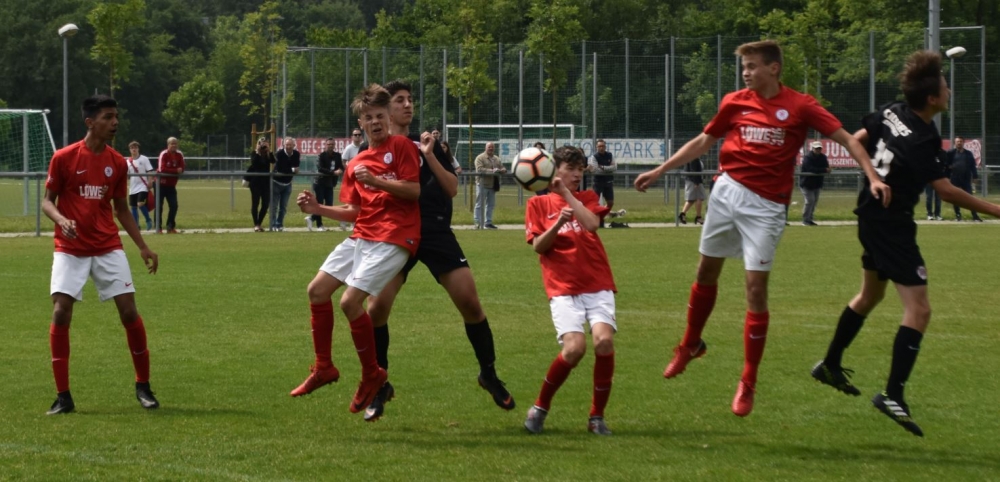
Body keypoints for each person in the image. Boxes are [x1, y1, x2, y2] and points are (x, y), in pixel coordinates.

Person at [633, 40, 889, 417]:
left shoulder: (801, 105)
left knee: (755, 289)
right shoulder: (734, 101)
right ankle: (690, 344)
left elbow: (848, 139)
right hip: (727, 192)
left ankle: (748, 380)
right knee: (705, 272)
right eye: (744, 67)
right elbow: (704, 140)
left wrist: (874, 178)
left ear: (774, 68)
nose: (746, 73)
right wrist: (660, 170)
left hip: (767, 207)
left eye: (752, 66)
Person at [810, 50, 1000, 437]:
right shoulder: (924, 140)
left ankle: (830, 364)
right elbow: (946, 191)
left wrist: (873, 178)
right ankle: (893, 394)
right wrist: (996, 209)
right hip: (892, 225)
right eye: (945, 86)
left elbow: (856, 141)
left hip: (870, 215)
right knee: (920, 309)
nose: (949, 91)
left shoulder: (892, 110)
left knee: (870, 295)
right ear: (932, 98)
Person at [363, 80, 515, 421]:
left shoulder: (428, 145)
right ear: (385, 110)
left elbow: (451, 188)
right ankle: (379, 384)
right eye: (399, 100)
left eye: (409, 99)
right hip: (396, 233)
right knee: (377, 308)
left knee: (470, 303)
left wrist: (429, 154)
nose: (407, 105)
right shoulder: (377, 149)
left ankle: (488, 373)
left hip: (433, 231)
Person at [290, 83, 421, 418]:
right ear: (360, 123)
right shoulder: (357, 162)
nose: (375, 122)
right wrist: (318, 208)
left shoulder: (401, 146)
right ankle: (324, 367)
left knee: (350, 302)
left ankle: (372, 375)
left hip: (395, 237)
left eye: (380, 115)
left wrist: (376, 181)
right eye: (369, 118)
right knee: (317, 291)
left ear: (388, 117)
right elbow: (354, 212)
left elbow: (413, 190)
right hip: (363, 235)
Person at [41, 94, 160, 415]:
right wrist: (62, 220)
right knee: (61, 312)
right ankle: (63, 397)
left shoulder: (117, 162)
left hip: (107, 246)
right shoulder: (64, 158)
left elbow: (121, 209)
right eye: (108, 117)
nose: (115, 122)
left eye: (116, 116)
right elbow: (47, 201)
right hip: (70, 248)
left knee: (129, 312)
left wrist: (143, 246)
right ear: (90, 122)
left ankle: (143, 386)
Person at [522, 146, 617, 436]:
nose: (577, 175)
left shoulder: (586, 198)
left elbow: (592, 224)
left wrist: (566, 194)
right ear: (554, 169)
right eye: (571, 169)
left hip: (597, 282)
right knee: (574, 349)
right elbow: (539, 246)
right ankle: (540, 407)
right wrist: (558, 224)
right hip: (562, 286)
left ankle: (596, 417)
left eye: (580, 169)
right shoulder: (537, 204)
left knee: (604, 342)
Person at [307, 137, 343, 232]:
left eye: (332, 144)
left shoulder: (337, 156)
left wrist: (340, 170)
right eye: (328, 144)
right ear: (325, 145)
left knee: (329, 205)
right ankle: (319, 225)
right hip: (320, 182)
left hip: (330, 183)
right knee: (319, 204)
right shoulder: (321, 156)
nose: (330, 146)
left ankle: (311, 218)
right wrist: (333, 172)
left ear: (334, 145)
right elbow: (320, 168)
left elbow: (341, 167)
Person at [947, 136, 981, 222]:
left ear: (963, 142)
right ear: (955, 143)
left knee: (970, 197)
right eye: (957, 141)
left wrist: (975, 176)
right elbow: (946, 164)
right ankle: (958, 215)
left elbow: (973, 166)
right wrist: (948, 171)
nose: (959, 143)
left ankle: (975, 216)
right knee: (955, 197)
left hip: (965, 178)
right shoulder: (951, 153)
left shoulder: (968, 154)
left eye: (960, 141)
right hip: (954, 178)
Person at [270, 137, 300, 231]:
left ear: (294, 145)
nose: (288, 146)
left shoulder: (296, 154)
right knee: (274, 206)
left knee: (283, 207)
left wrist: (291, 169)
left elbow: (296, 167)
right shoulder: (279, 154)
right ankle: (273, 225)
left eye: (290, 145)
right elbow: (280, 169)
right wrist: (292, 169)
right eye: (287, 145)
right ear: (283, 145)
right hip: (276, 183)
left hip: (287, 184)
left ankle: (279, 224)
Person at [156, 137, 185, 234]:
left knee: (174, 205)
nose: (174, 145)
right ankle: (158, 228)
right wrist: (175, 170)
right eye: (172, 143)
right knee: (159, 206)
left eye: (175, 143)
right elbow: (162, 169)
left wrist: (179, 170)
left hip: (171, 185)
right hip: (160, 184)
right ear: (168, 145)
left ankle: (170, 227)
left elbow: (182, 167)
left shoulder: (179, 154)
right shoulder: (163, 154)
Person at [474, 142, 505, 229]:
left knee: (490, 205)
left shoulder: (497, 159)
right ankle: (477, 223)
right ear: (485, 148)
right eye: (489, 147)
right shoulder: (480, 158)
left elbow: (501, 167)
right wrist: (492, 171)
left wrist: (503, 170)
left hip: (493, 185)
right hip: (482, 184)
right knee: (479, 204)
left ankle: (488, 222)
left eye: (492, 147)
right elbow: (479, 169)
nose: (491, 148)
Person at [246, 137, 274, 232]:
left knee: (265, 204)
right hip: (255, 183)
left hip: (265, 183)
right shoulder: (254, 153)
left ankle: (259, 223)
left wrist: (269, 151)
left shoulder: (267, 154)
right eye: (261, 144)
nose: (263, 146)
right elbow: (255, 164)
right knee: (255, 204)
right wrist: (258, 151)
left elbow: (273, 161)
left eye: (265, 144)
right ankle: (256, 224)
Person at [799, 141, 831, 226]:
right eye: (816, 148)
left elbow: (826, 167)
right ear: (812, 148)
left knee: (814, 202)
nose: (818, 150)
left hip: (817, 183)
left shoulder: (823, 157)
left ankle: (810, 219)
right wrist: (823, 170)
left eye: (819, 148)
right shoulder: (807, 157)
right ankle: (805, 220)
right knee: (810, 201)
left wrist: (825, 169)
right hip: (806, 183)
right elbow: (810, 169)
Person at [125, 141, 154, 231]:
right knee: (133, 207)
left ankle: (148, 220)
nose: (134, 149)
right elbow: (127, 176)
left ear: (138, 149)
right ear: (130, 150)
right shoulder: (128, 162)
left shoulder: (144, 159)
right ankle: (136, 225)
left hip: (142, 186)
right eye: (132, 148)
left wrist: (150, 181)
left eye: (135, 147)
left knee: (140, 203)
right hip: (133, 187)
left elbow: (149, 171)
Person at [340, 129, 365, 231]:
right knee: (351, 201)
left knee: (359, 202)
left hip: (361, 177)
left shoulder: (364, 146)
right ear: (352, 136)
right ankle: (344, 219)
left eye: (359, 135)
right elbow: (343, 160)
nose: (357, 136)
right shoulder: (349, 148)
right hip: (352, 178)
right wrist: (349, 171)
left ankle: (355, 222)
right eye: (355, 135)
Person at [588, 139, 616, 228]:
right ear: (596, 147)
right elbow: (595, 170)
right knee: (594, 202)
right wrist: (608, 169)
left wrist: (603, 167)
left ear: (605, 147)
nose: (601, 148)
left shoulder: (610, 155)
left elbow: (614, 167)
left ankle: (601, 216)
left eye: (603, 146)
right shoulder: (594, 157)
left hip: (608, 181)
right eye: (599, 146)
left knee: (610, 203)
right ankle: (593, 219)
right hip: (598, 182)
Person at [680, 156, 707, 225]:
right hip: (693, 181)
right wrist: (696, 182)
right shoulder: (693, 157)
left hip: (692, 180)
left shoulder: (693, 157)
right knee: (698, 198)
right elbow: (694, 170)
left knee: (692, 199)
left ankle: (683, 214)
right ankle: (698, 217)